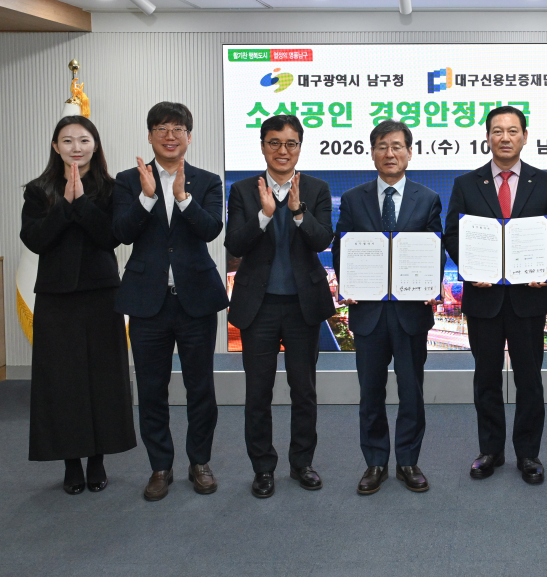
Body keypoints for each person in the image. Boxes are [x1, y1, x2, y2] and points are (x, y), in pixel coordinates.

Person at [444, 105, 547, 485]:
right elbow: (453, 234)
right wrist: (470, 267)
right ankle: (490, 450)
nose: (505, 137)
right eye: (497, 131)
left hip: (527, 298)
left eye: (512, 131)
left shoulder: (545, 183)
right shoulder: (466, 184)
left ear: (525, 137)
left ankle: (528, 454)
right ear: (487, 137)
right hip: (483, 299)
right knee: (486, 378)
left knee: (530, 379)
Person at [113, 102, 229, 502]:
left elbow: (211, 230)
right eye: (161, 128)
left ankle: (200, 462)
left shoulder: (207, 181)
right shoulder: (128, 181)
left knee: (201, 387)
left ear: (189, 137)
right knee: (151, 389)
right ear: (149, 136)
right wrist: (146, 198)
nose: (169, 135)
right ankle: (160, 466)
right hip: (148, 302)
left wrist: (182, 199)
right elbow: (121, 233)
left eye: (178, 129)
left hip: (195, 300)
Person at [21, 116, 136, 495]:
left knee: (103, 378)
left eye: (84, 140)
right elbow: (35, 240)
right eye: (67, 140)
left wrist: (82, 202)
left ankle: (97, 459)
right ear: (56, 147)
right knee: (62, 381)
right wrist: (64, 204)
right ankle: (71, 461)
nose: (76, 147)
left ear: (95, 145)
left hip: (101, 295)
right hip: (56, 298)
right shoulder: (39, 190)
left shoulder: (113, 188)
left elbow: (111, 237)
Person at [225, 115, 334, 498]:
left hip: (303, 307)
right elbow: (235, 244)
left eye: (290, 143)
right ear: (263, 146)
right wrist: (265, 214)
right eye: (274, 142)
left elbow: (323, 240)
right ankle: (263, 468)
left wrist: (299, 211)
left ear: (299, 148)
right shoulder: (243, 190)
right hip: (260, 308)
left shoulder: (316, 189)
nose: (282, 151)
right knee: (258, 392)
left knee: (304, 390)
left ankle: (302, 463)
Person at [333, 120, 445, 495]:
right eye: (382, 146)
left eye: (397, 146)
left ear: (409, 153)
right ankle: (376, 462)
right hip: (368, 312)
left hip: (411, 312)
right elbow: (341, 246)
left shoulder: (427, 198)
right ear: (372, 153)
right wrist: (346, 283)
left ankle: (408, 461)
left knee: (412, 392)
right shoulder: (354, 199)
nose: (390, 153)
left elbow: (435, 247)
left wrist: (432, 284)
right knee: (370, 393)